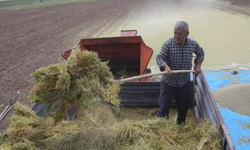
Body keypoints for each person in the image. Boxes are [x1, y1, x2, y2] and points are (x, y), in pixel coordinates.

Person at [156, 21, 204, 124]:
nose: (176, 36)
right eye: (175, 33)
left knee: (183, 108)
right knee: (163, 107)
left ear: (187, 34)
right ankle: (161, 125)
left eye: (179, 34)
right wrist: (166, 66)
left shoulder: (193, 44)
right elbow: (159, 58)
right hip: (168, 82)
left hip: (184, 83)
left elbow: (201, 54)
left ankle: (180, 124)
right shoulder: (168, 44)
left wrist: (198, 65)